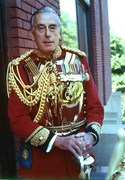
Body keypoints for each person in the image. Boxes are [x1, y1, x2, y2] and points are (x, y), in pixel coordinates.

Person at [6, 6, 104, 179]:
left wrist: (90, 136)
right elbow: (18, 120)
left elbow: (95, 107)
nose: (47, 34)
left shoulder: (78, 61)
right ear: (32, 34)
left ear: (60, 33)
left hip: (78, 157)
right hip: (42, 162)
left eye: (52, 27)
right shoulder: (20, 68)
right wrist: (57, 141)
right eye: (41, 28)